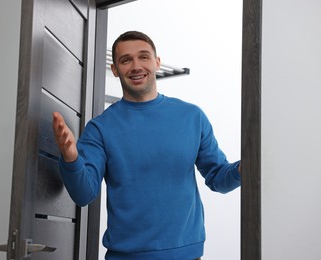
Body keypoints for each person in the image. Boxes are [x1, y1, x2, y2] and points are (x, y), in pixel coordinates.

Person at [52, 30, 241, 260]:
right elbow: (84, 194)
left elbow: (219, 178)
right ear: (115, 69)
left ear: (156, 62)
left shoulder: (192, 117)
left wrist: (245, 168)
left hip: (188, 256)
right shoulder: (100, 128)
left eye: (143, 57)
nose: (136, 66)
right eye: (125, 60)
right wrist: (71, 157)